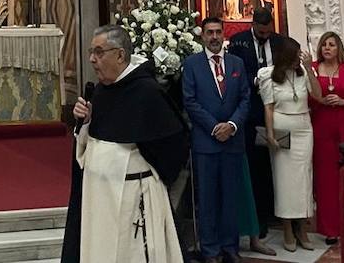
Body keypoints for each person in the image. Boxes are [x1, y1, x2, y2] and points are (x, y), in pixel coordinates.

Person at [63, 25, 188, 263]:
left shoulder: (147, 92)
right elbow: (90, 143)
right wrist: (86, 123)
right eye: (91, 52)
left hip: (132, 198)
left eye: (99, 52)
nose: (92, 59)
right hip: (98, 197)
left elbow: (174, 145)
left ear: (120, 55)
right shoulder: (101, 91)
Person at [182, 17, 249, 263]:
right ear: (202, 36)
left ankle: (230, 247)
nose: (214, 37)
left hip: (232, 141)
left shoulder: (237, 63)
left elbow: (245, 99)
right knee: (208, 199)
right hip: (206, 143)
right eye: (209, 32)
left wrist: (231, 125)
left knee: (230, 197)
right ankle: (210, 249)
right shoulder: (192, 64)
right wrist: (214, 127)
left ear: (223, 34)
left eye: (218, 32)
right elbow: (190, 101)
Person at [259, 35, 317, 251]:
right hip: (282, 130)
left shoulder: (303, 73)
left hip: (304, 129)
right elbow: (268, 107)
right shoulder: (268, 75)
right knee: (284, 181)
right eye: (294, 57)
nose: (297, 60)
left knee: (304, 179)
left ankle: (302, 227)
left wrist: (309, 68)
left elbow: (318, 95)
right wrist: (270, 134)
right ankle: (287, 229)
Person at [227, 7, 278, 249]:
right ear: (254, 25)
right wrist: (256, 80)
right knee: (255, 166)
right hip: (250, 113)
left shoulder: (279, 42)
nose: (265, 35)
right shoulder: (239, 42)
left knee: (273, 166)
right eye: (261, 32)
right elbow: (235, 73)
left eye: (268, 32)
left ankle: (274, 212)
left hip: (276, 109)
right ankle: (258, 219)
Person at [309, 30, 344, 243]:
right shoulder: (312, 68)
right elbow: (306, 97)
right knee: (325, 179)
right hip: (322, 127)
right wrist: (320, 100)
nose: (327, 48)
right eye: (324, 45)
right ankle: (330, 228)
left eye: (331, 44)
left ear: (339, 47)